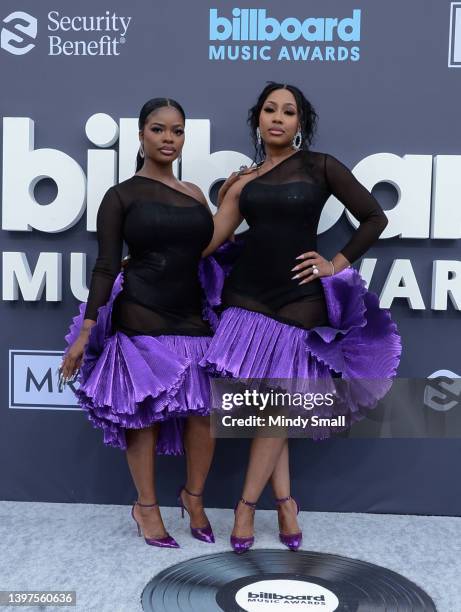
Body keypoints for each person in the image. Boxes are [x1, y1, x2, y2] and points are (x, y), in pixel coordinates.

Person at [200, 82, 402, 553]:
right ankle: (286, 502)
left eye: (288, 112)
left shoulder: (321, 166)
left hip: (298, 300)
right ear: (258, 120)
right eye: (270, 109)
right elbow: (209, 240)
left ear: (299, 123)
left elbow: (374, 217)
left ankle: (245, 507)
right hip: (247, 298)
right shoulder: (244, 181)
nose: (277, 117)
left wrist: (335, 263)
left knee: (276, 406)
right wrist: (215, 203)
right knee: (267, 408)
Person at [60, 98, 217, 549]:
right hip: (141, 311)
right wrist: (88, 331)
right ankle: (146, 507)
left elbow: (203, 250)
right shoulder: (120, 196)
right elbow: (106, 267)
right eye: (158, 129)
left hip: (190, 312)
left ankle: (193, 497)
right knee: (142, 413)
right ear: (141, 135)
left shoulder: (194, 194)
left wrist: (236, 195)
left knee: (204, 413)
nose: (168, 138)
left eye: (177, 131)